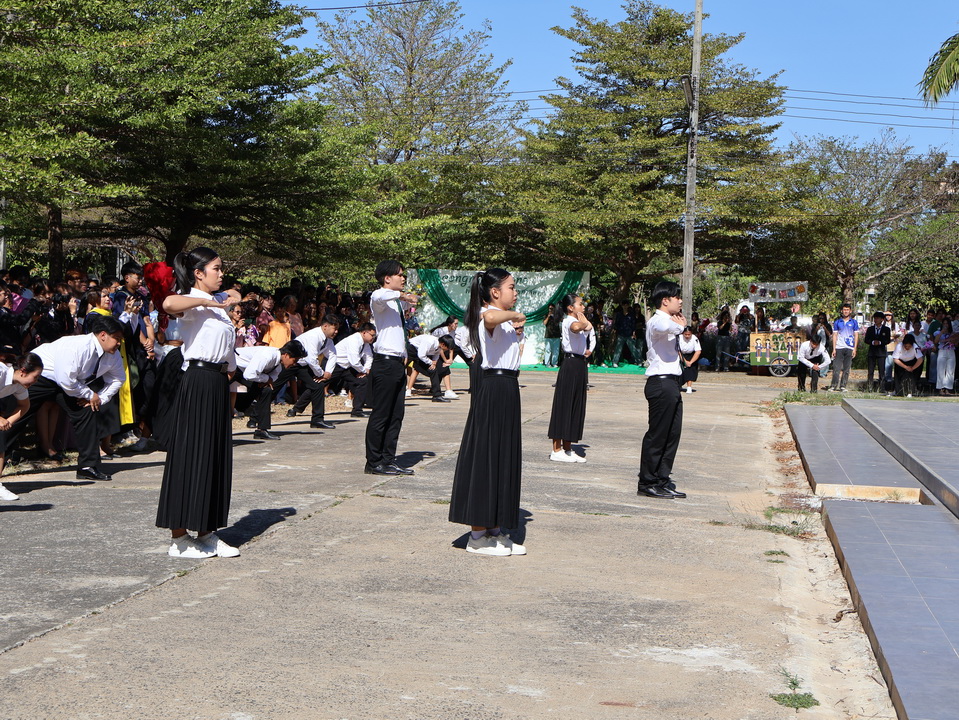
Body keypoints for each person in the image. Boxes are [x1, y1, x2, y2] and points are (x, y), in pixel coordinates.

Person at [155, 247, 241, 560]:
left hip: (217, 382)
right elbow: (168, 304)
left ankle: (206, 532)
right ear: (198, 273)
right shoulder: (193, 301)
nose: (221, 273)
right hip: (197, 380)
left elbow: (233, 303)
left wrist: (222, 299)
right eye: (216, 268)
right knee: (190, 454)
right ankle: (179, 538)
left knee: (214, 456)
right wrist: (207, 300)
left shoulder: (218, 305)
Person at [449, 269, 526, 556]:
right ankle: (477, 535)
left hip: (507, 387)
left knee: (502, 456)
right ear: (495, 292)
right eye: (511, 287)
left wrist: (515, 326)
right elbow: (490, 318)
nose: (515, 292)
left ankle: (494, 529)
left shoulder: (502, 321)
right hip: (494, 387)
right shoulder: (488, 315)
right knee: (487, 456)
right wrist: (514, 314)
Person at [8, 314, 126, 481]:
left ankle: (87, 466)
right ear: (103, 335)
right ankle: (3, 453)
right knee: (16, 414)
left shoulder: (113, 355)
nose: (119, 343)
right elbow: (65, 379)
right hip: (43, 376)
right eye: (117, 339)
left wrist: (100, 397)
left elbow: (118, 378)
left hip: (72, 384)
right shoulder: (77, 347)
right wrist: (89, 394)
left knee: (87, 411)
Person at [364, 260, 418, 477]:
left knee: (396, 415)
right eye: (399, 275)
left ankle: (388, 459)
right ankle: (374, 462)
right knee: (381, 414)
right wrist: (403, 295)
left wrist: (407, 299)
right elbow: (379, 296)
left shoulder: (396, 304)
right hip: (385, 363)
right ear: (387, 278)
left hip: (397, 363)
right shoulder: (380, 298)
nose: (403, 278)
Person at [637, 281, 687, 500]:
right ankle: (647, 482)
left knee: (672, 434)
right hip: (660, 382)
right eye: (677, 297)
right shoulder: (657, 320)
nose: (680, 301)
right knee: (657, 435)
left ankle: (662, 480)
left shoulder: (671, 321)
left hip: (673, 383)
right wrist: (681, 327)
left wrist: (681, 327)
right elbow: (664, 328)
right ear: (665, 301)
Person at [547, 294, 591, 463]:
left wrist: (584, 322)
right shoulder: (568, 321)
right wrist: (583, 323)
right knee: (564, 405)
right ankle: (556, 449)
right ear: (571, 307)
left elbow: (588, 327)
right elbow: (577, 327)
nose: (583, 306)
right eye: (580, 304)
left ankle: (568, 447)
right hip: (570, 363)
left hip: (580, 363)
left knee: (575, 405)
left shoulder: (578, 320)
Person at [235, 340, 307, 440]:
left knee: (267, 390)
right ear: (286, 355)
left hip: (246, 373)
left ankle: (262, 430)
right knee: (263, 391)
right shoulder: (267, 356)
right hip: (236, 367)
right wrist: (266, 379)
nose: (294, 364)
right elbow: (249, 374)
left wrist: (266, 380)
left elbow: (272, 379)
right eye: (294, 360)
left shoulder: (278, 365)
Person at [279, 314, 340, 429]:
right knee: (273, 387)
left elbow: (332, 355)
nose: (336, 332)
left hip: (303, 365)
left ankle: (317, 420)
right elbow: (311, 359)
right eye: (334, 328)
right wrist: (321, 374)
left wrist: (328, 372)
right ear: (325, 326)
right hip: (291, 362)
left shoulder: (328, 340)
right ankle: (255, 417)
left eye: (337, 329)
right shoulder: (314, 336)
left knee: (317, 386)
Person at [0, 354, 45, 501]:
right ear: (23, 371)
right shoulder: (1, 373)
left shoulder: (18, 385)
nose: (36, 381)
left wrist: (8, 422)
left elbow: (24, 405)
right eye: (35, 377)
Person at [325, 322, 375, 418]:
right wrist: (363, 371)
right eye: (372, 335)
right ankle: (298, 407)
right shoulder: (354, 340)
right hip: (335, 364)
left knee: (362, 381)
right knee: (318, 384)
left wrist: (367, 369)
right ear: (364, 333)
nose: (373, 337)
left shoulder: (365, 343)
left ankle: (357, 410)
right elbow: (354, 361)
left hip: (346, 367)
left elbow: (369, 357)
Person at [406, 333, 455, 402]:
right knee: (400, 369)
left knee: (433, 370)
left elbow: (436, 354)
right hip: (411, 349)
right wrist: (430, 362)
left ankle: (437, 395)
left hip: (420, 354)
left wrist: (434, 363)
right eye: (447, 348)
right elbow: (421, 355)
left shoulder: (439, 346)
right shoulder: (430, 342)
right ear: (443, 344)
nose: (447, 350)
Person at [829, 303, 859, 392]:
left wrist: (855, 348)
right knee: (836, 368)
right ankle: (833, 385)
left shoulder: (854, 322)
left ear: (850, 311)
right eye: (844, 310)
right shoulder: (838, 322)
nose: (846, 311)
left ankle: (843, 386)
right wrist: (834, 348)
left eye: (847, 310)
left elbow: (856, 335)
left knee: (846, 368)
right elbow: (835, 335)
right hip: (839, 347)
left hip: (849, 347)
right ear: (842, 311)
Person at [864, 311, 891, 392]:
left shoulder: (886, 329)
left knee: (881, 371)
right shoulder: (870, 329)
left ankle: (882, 387)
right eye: (875, 318)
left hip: (881, 352)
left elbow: (887, 340)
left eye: (878, 318)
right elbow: (866, 339)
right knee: (870, 371)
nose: (876, 320)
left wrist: (880, 342)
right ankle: (869, 387)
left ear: (882, 319)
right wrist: (872, 342)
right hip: (872, 352)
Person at [610, 300, 637, 368]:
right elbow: (616, 324)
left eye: (626, 305)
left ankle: (639, 361)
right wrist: (615, 332)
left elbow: (633, 325)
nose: (625, 306)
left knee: (633, 348)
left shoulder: (631, 315)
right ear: (622, 306)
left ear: (628, 305)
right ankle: (615, 362)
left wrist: (633, 333)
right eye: (624, 305)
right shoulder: (619, 314)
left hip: (629, 334)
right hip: (621, 334)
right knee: (618, 349)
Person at [935, 318, 956, 395]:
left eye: (947, 323)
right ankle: (941, 387)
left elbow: (956, 343)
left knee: (950, 370)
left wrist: (952, 339)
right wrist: (941, 333)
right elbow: (936, 341)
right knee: (941, 369)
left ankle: (948, 388)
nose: (945, 325)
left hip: (951, 351)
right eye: (944, 323)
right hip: (942, 351)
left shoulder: (952, 333)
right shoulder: (938, 332)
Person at [678, 326, 701, 394]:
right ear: (683, 333)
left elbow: (698, 351)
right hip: (680, 355)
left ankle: (689, 387)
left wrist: (690, 362)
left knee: (690, 370)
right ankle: (678, 385)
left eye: (689, 334)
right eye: (686, 334)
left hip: (691, 356)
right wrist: (684, 361)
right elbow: (678, 351)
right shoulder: (679, 338)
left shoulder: (695, 338)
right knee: (679, 371)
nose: (687, 336)